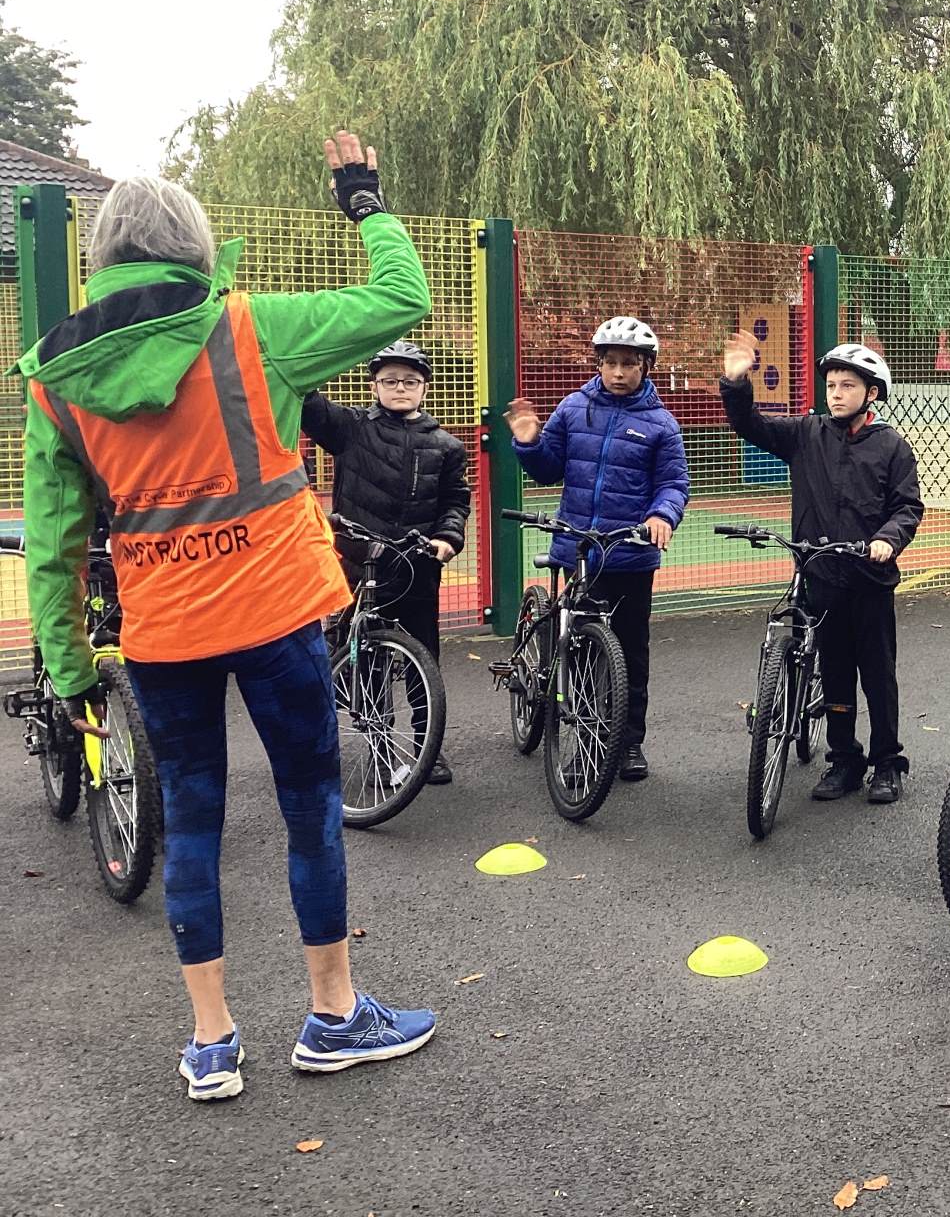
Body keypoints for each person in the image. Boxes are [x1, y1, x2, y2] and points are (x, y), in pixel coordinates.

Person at [18, 132, 439, 1101]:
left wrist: (72, 669)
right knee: (309, 809)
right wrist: (364, 200)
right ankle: (333, 1015)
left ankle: (212, 1042)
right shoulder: (252, 328)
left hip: (163, 633)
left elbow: (53, 544)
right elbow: (402, 297)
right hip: (278, 612)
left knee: (193, 821)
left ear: (101, 258)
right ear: (196, 246)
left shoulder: (55, 378)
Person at [718, 336, 925, 802]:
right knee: (834, 672)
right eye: (831, 385)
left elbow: (907, 507)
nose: (836, 393)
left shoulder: (891, 446)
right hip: (822, 577)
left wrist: (887, 540)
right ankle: (843, 760)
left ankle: (886, 763)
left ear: (872, 393)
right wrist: (736, 383)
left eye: (847, 385)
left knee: (877, 675)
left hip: (869, 581)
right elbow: (750, 425)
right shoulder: (806, 434)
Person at [504, 317, 688, 781]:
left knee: (630, 654)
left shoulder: (661, 424)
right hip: (580, 551)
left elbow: (673, 484)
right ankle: (586, 744)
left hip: (630, 555)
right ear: (599, 364)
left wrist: (662, 516)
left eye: (629, 363)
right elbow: (548, 469)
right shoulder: (573, 408)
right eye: (611, 363)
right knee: (583, 653)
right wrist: (528, 443)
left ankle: (628, 744)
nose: (619, 372)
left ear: (646, 367)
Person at [302, 339, 471, 783]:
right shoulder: (351, 428)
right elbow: (308, 405)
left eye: (410, 381)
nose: (400, 388)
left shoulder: (446, 446)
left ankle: (428, 749)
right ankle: (380, 747)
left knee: (423, 659)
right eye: (390, 380)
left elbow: (455, 501)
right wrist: (307, 355)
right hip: (360, 563)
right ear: (374, 385)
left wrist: (447, 538)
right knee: (364, 659)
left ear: (425, 388)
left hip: (416, 565)